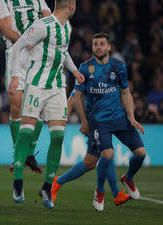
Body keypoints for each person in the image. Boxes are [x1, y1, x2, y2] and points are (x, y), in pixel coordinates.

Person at [8, 0, 84, 209]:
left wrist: (74, 70)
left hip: (58, 87)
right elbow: (17, 48)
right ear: (71, 5)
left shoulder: (67, 27)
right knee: (27, 131)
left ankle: (47, 186)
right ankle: (18, 180)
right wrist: (15, 77)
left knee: (59, 136)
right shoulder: (42, 25)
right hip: (37, 86)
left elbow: (62, 51)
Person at [51, 33, 146, 211]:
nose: (99, 47)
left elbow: (125, 93)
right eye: (95, 45)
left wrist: (132, 118)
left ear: (109, 47)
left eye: (102, 44)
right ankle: (110, 193)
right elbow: (74, 98)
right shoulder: (85, 69)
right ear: (92, 47)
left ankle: (127, 180)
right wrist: (83, 122)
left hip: (118, 117)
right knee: (107, 154)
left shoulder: (119, 66)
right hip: (98, 121)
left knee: (135, 154)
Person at [0, 0, 52, 174]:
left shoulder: (38, 0)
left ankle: (27, 153)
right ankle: (21, 153)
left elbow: (50, 22)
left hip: (40, 56)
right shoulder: (2, 1)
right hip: (18, 53)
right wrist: (27, 41)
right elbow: (6, 28)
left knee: (38, 109)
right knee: (16, 106)